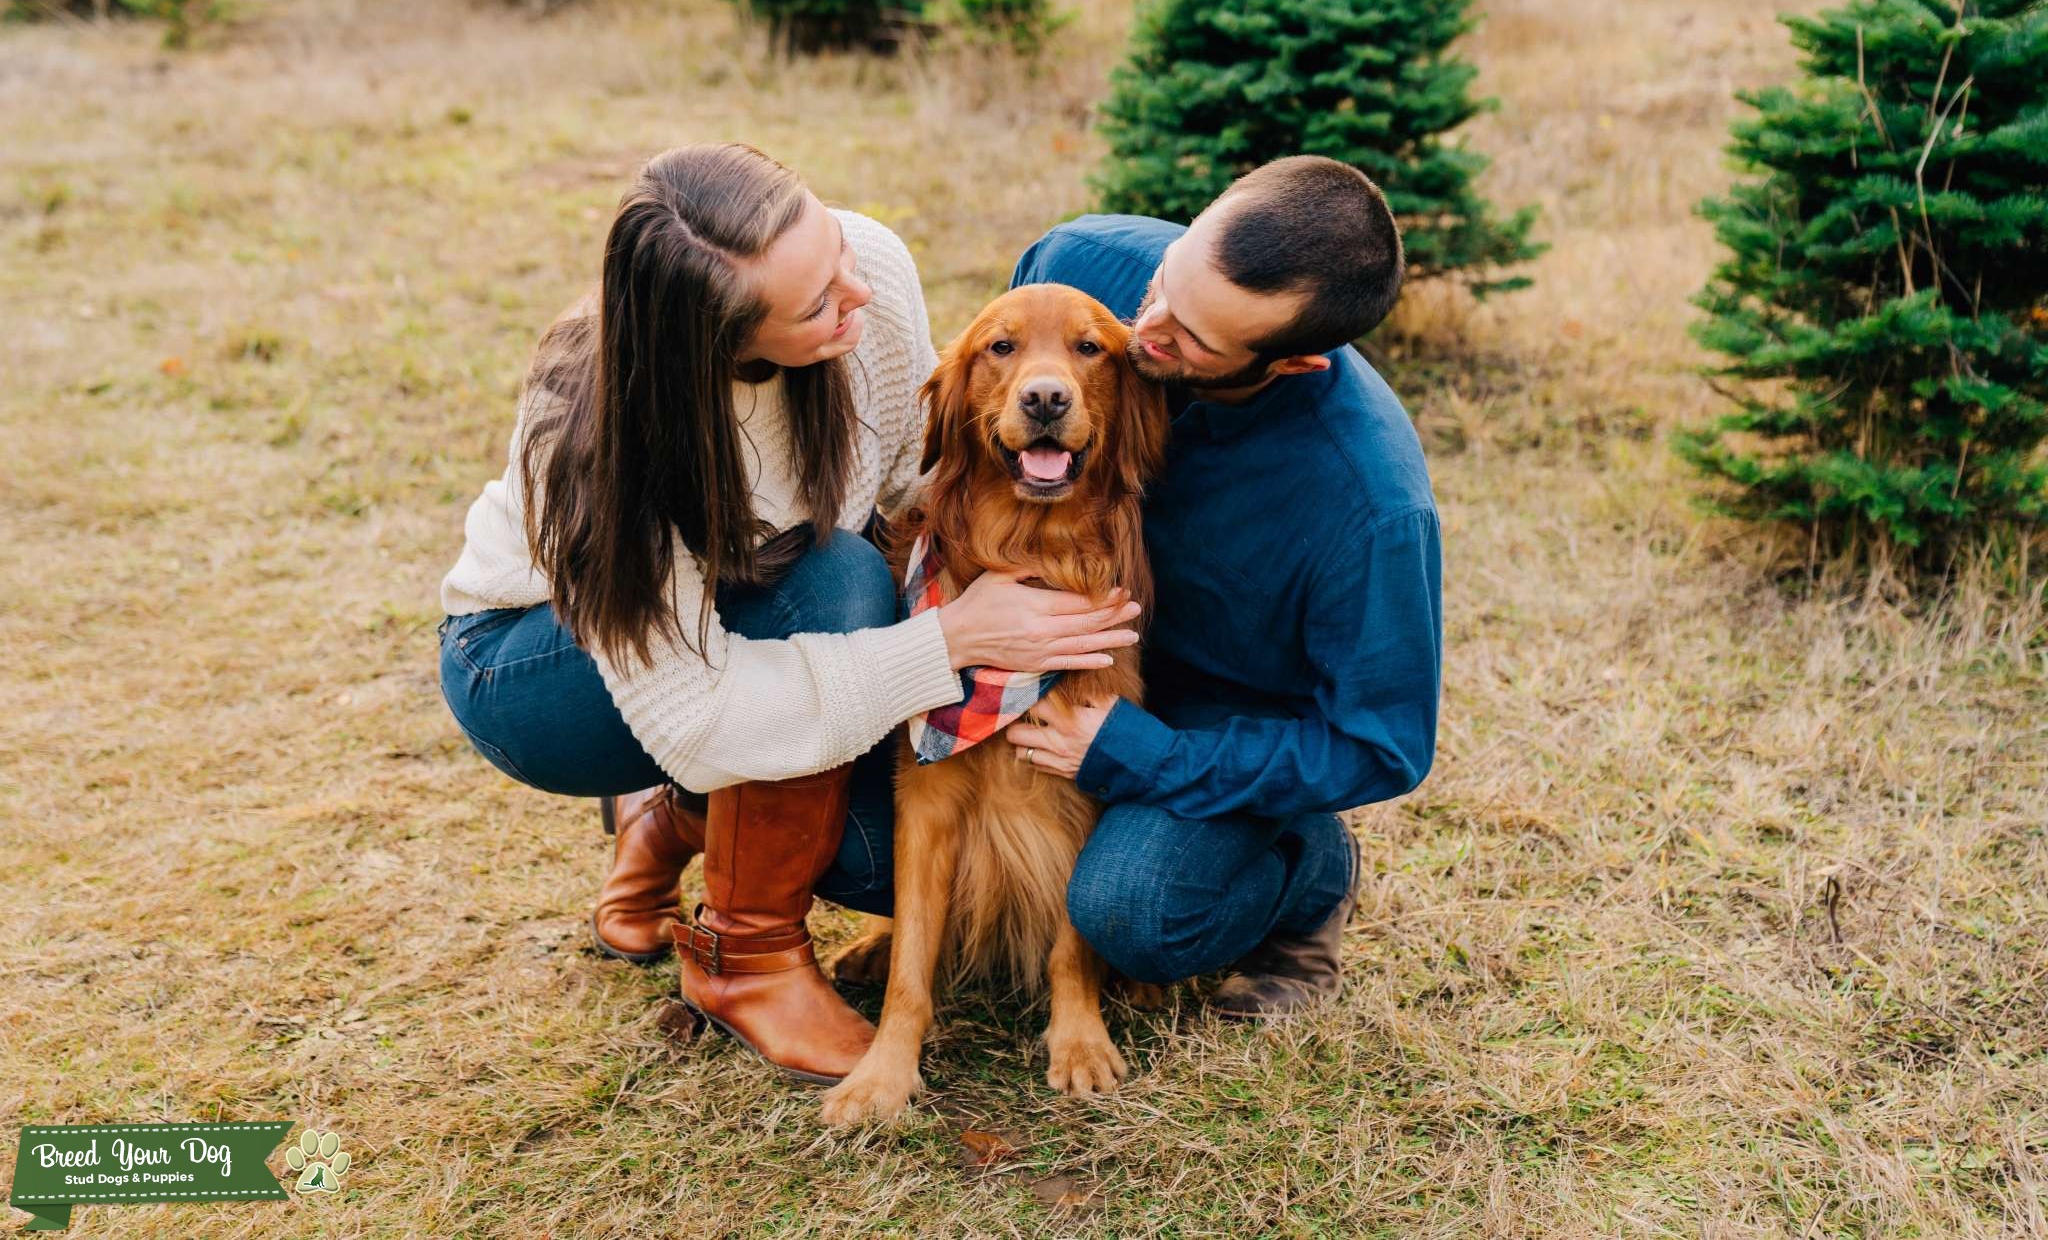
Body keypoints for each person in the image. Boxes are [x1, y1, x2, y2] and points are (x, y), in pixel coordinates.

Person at [435, 143, 1141, 1083]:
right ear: (723, 345)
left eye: (833, 251)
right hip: (536, 665)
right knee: (840, 581)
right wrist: (955, 637)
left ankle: (676, 822)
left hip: (740, 624)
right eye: (815, 305)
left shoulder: (868, 268)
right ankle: (748, 959)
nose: (856, 292)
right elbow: (696, 719)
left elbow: (905, 478)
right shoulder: (596, 425)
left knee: (880, 857)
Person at [1002, 155, 1444, 1017]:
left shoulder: (1369, 502)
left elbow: (1383, 744)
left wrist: (1150, 756)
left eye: (1196, 338)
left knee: (1134, 915)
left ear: (1296, 362)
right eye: (1170, 281)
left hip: (1210, 727)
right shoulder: (1078, 265)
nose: (1143, 331)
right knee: (864, 855)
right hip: (1052, 656)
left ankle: (1311, 867)